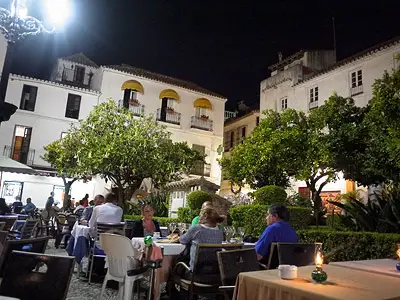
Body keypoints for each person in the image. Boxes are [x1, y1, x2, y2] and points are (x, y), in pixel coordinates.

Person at [179, 207, 224, 282]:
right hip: (214, 274)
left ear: (205, 216)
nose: (199, 218)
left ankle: (177, 291)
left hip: (195, 274)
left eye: (200, 215)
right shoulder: (220, 231)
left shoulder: (197, 229)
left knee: (176, 263)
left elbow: (182, 240)